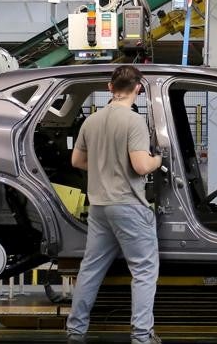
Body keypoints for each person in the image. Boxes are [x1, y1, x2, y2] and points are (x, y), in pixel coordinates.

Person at [67, 65, 162, 344]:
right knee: (143, 271)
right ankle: (142, 336)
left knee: (91, 269)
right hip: (128, 205)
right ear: (138, 89)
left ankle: (75, 331)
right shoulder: (134, 122)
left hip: (99, 207)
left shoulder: (91, 121)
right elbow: (142, 165)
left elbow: (77, 161)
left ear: (109, 87)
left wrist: (102, 166)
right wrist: (159, 160)